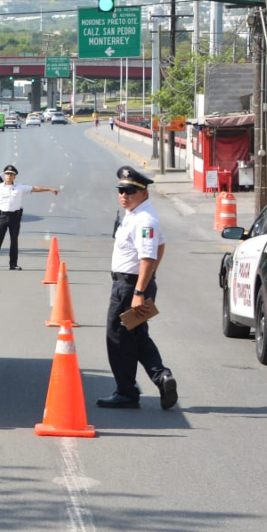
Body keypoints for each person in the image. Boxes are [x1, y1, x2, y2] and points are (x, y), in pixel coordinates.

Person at [97, 166, 178, 410]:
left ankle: (126, 392)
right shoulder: (135, 214)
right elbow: (161, 246)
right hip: (132, 285)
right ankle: (162, 377)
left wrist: (140, 292)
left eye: (130, 190)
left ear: (144, 192)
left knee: (119, 339)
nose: (124, 195)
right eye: (121, 190)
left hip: (130, 287)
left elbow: (148, 257)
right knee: (137, 336)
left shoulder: (144, 219)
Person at [0, 165, 59, 271]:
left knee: (14, 241)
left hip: (15, 217)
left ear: (15, 176)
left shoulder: (20, 187)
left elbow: (34, 188)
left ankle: (13, 264)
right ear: (4, 175)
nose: (8, 176)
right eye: (7, 174)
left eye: (11, 174)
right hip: (1, 216)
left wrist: (49, 189)